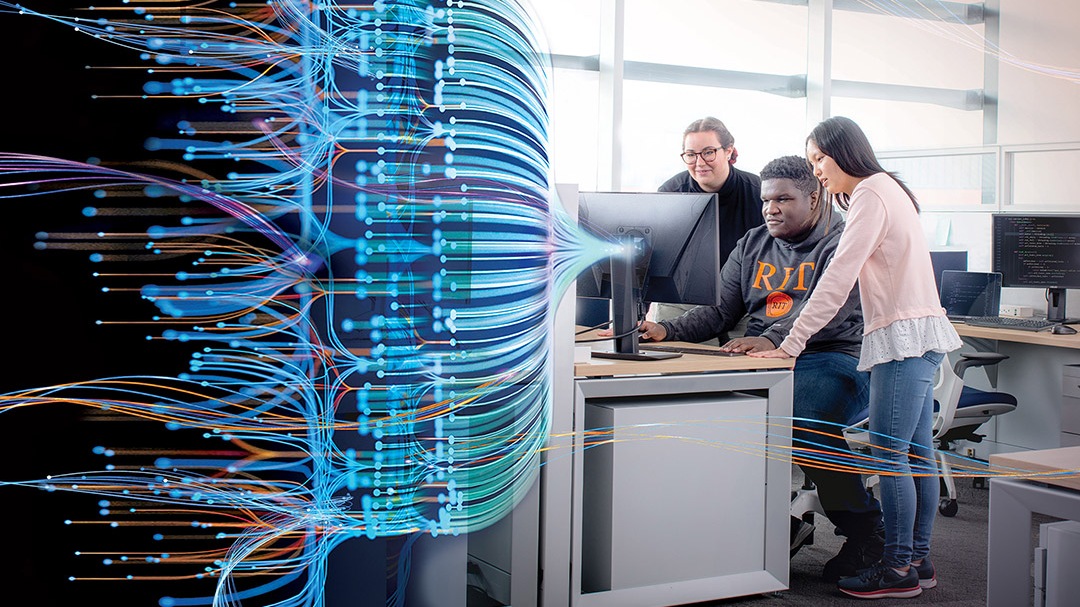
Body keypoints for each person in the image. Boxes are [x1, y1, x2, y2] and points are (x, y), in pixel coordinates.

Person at [636, 155, 884, 582]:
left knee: (804, 419)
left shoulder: (843, 241)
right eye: (767, 200)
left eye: (783, 200)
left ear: (814, 197)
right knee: (708, 413)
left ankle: (866, 530)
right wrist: (665, 329)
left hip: (833, 355)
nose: (771, 209)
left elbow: (831, 309)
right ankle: (767, 524)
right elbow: (719, 311)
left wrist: (773, 338)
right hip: (763, 358)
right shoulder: (753, 243)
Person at [750, 117, 962, 600]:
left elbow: (837, 279)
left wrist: (790, 344)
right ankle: (917, 560)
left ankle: (896, 568)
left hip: (903, 341)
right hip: (920, 334)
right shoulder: (888, 189)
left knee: (891, 456)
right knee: (915, 453)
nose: (817, 171)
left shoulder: (870, 194)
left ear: (844, 152)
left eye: (819, 159)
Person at [655, 117, 763, 338]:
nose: (699, 162)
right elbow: (653, 257)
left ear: (728, 151)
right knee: (679, 359)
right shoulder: (671, 193)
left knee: (739, 359)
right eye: (691, 154)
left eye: (708, 152)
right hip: (683, 303)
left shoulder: (759, 193)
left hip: (745, 303)